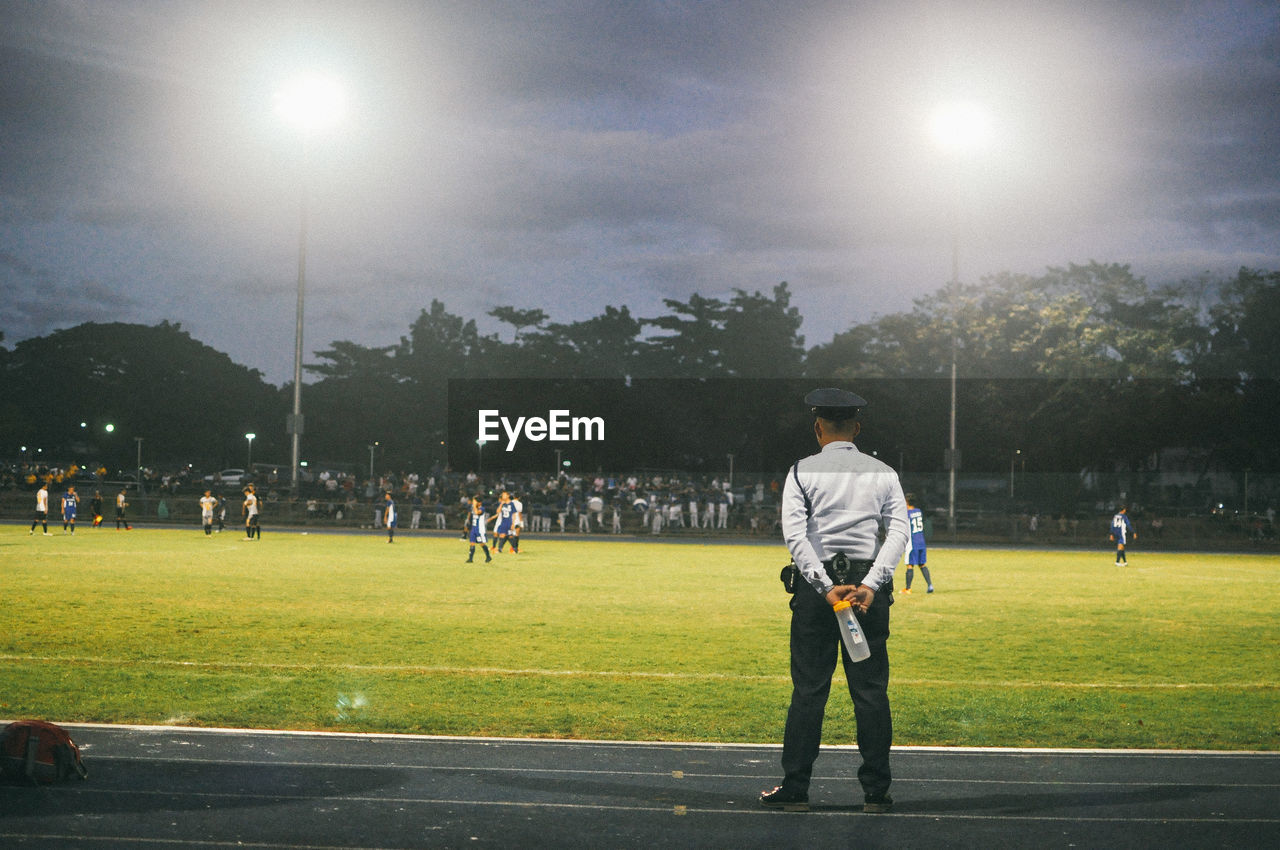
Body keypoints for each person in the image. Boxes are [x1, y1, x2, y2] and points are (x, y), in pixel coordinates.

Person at [761, 387, 908, 815]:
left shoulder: (802, 471)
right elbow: (898, 532)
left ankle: (796, 789)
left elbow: (795, 535)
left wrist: (825, 587)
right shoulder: (883, 472)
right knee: (870, 692)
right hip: (867, 588)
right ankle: (876, 793)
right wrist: (872, 584)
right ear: (857, 428)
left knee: (809, 691)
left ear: (818, 427)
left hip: (817, 590)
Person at [900, 494, 932, 595]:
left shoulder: (907, 513)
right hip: (921, 541)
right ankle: (930, 585)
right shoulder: (918, 511)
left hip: (912, 543)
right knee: (922, 564)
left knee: (910, 565)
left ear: (907, 502)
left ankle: (908, 588)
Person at [466, 495, 492, 563]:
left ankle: (488, 556)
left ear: (479, 502)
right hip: (474, 528)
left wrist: (474, 506)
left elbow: (477, 513)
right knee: (472, 543)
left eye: (475, 501)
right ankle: (470, 559)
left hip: (479, 529)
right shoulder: (473, 508)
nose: (473, 503)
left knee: (481, 543)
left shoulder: (482, 508)